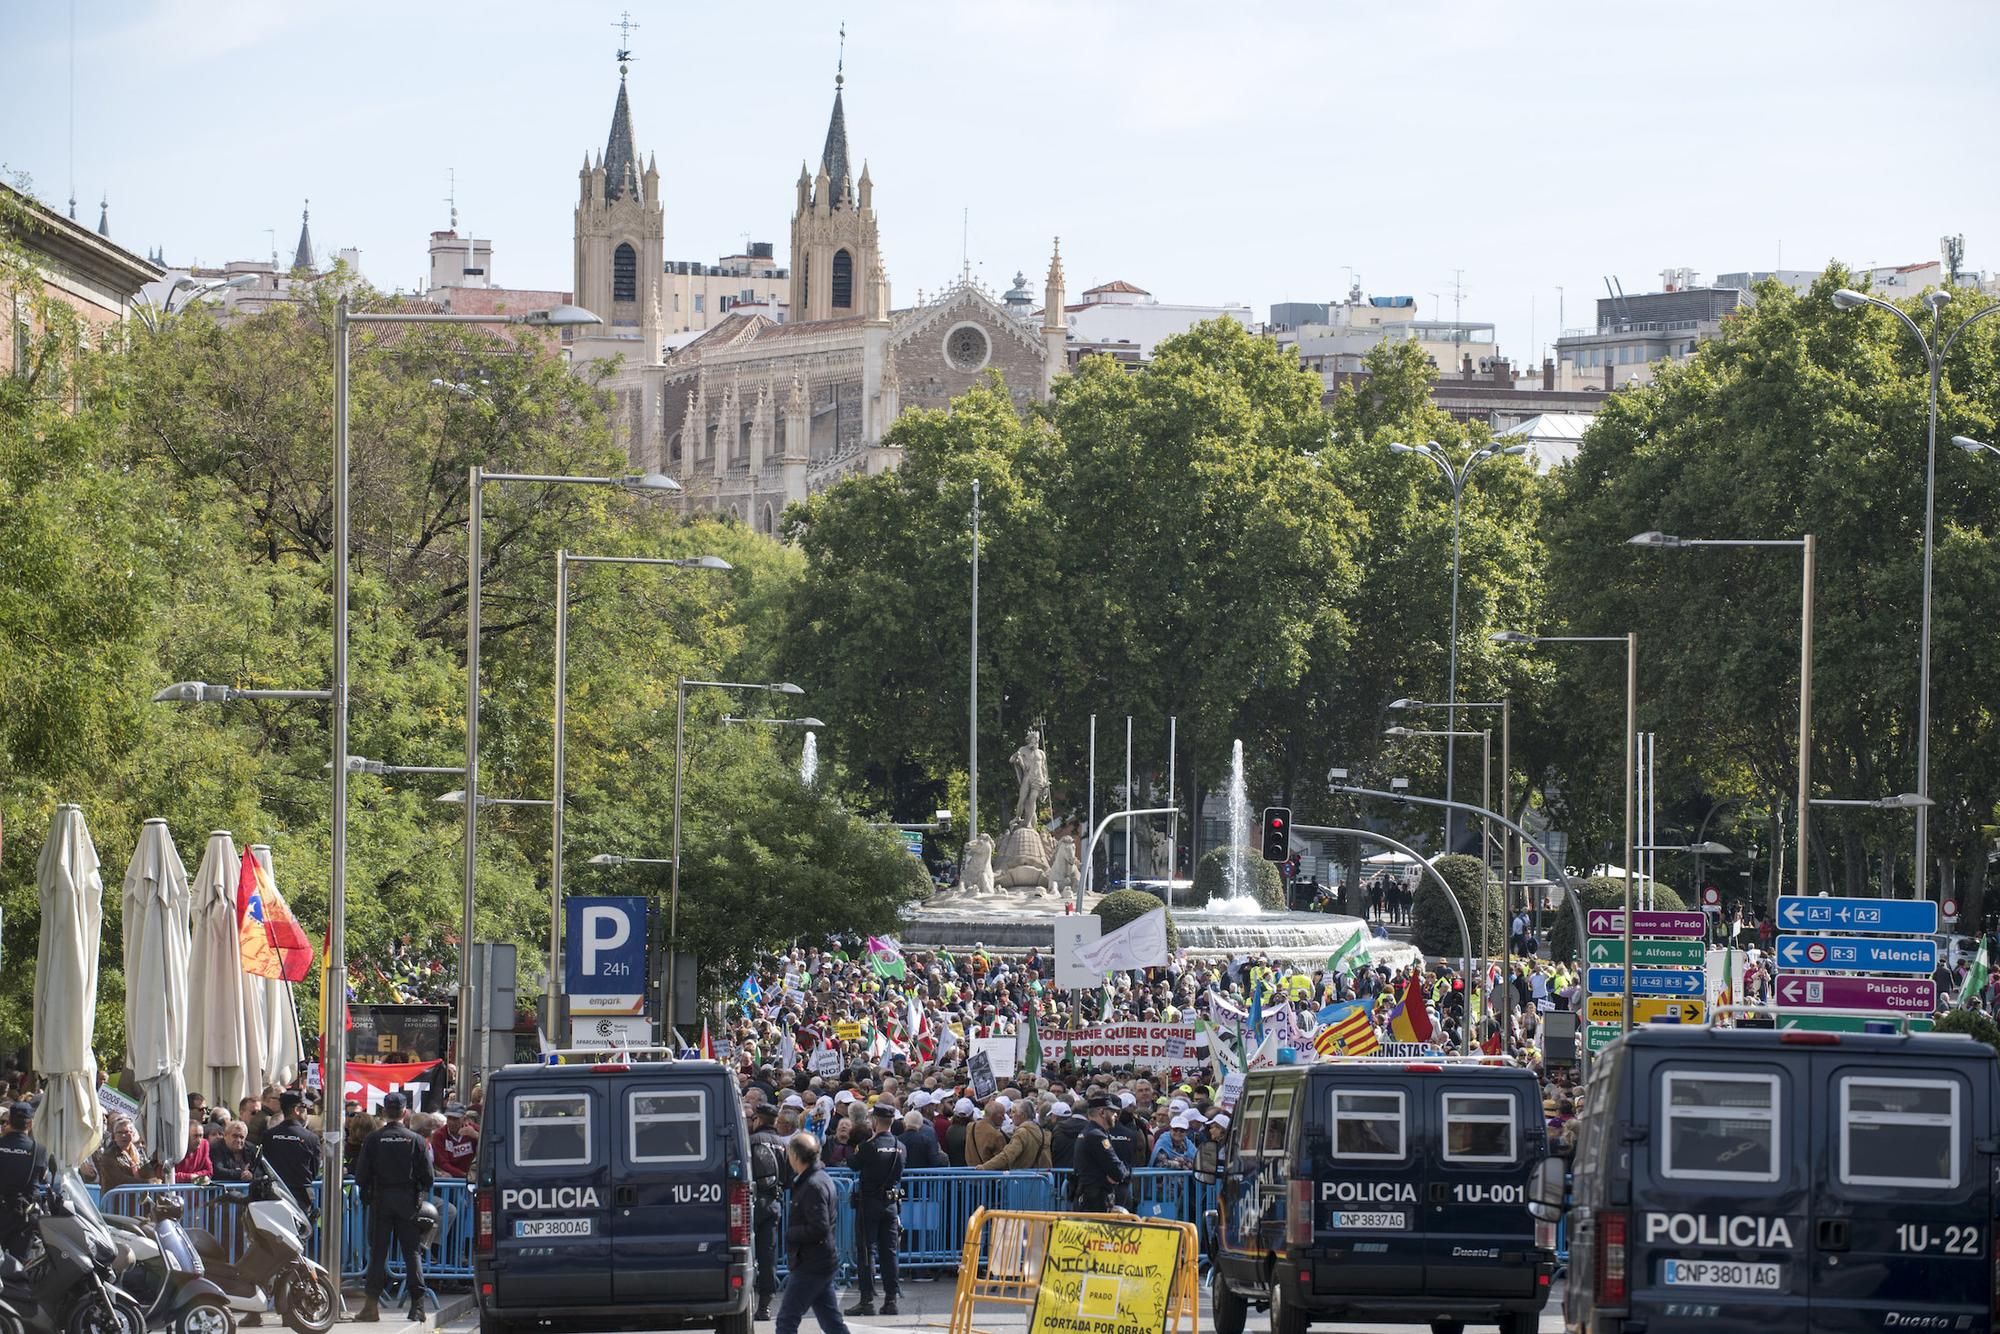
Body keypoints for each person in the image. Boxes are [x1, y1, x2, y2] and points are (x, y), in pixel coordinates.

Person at [352, 1092, 435, 1323]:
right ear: (405, 1112)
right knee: (412, 1253)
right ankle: (418, 1306)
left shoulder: (373, 1139)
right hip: (408, 1202)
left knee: (378, 1254)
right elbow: (429, 1177)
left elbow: (360, 1177)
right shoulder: (416, 1140)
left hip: (381, 1201)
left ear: (384, 1112)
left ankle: (371, 1306)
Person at [776, 1133, 850, 1334]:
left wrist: (791, 1233)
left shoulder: (813, 1185)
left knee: (786, 1321)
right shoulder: (818, 1179)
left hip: (811, 1262)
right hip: (820, 1260)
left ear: (795, 1156)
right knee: (832, 1322)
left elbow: (819, 1227)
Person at [845, 1103, 904, 1317]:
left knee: (866, 1252)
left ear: (875, 1121)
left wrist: (856, 1146)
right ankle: (891, 1300)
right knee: (889, 1253)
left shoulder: (869, 1146)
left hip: (869, 1203)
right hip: (890, 1204)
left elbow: (853, 1163)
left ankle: (866, 1300)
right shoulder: (900, 1146)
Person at [747, 1104, 787, 1322]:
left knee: (744, 1252)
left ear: (758, 1119)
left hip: (750, 1203)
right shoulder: (782, 1144)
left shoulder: (751, 1141)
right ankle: (765, 1306)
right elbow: (788, 1179)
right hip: (773, 1203)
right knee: (768, 1255)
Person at [0, 1102, 49, 1260]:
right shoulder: (38, 1150)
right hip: (23, 1216)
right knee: (18, 1267)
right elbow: (44, 1177)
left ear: (10, 1121)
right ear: (29, 1123)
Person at [261, 1091, 322, 1217]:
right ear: (296, 1110)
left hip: (275, 1195)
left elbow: (264, 1165)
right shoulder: (311, 1138)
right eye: (304, 1108)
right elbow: (314, 1171)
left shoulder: (269, 1135)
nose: (307, 1112)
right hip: (300, 1198)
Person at [1068, 1095, 1130, 1213]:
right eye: (1112, 1112)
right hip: (1095, 1201)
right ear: (1102, 1112)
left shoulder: (1088, 1132)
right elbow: (1117, 1172)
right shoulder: (1096, 1136)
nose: (1115, 1115)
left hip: (1088, 1197)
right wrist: (1126, 1169)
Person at [428, 1103, 477, 1179]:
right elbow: (443, 1163)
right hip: (451, 1178)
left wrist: (476, 1135)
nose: (451, 1122)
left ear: (464, 1119)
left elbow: (487, 1143)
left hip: (471, 1176)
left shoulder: (473, 1129)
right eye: (449, 1118)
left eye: (455, 1119)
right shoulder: (440, 1135)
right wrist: (463, 1175)